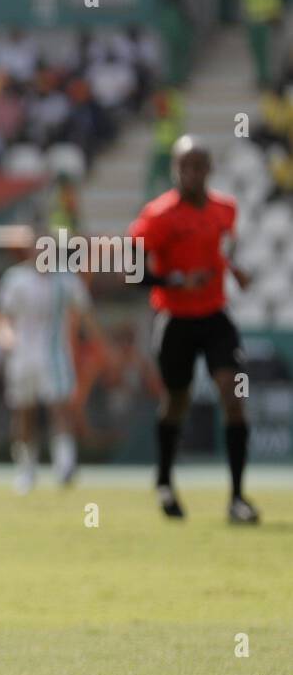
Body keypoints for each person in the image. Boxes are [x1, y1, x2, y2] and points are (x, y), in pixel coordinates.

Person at [128, 136, 259, 523]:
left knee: (233, 395)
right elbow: (133, 271)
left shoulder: (225, 209)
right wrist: (175, 280)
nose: (192, 173)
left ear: (209, 169)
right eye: (185, 166)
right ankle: (165, 480)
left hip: (215, 316)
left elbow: (224, 248)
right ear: (175, 169)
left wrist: (236, 271)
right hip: (175, 319)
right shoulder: (158, 215)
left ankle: (237, 497)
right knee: (176, 402)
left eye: (199, 166)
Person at [0, 232, 105, 494]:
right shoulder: (15, 279)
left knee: (59, 408)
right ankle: (26, 470)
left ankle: (65, 465)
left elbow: (86, 315)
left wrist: (103, 347)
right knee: (24, 412)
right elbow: (1, 316)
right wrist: (5, 336)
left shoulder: (66, 280)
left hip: (55, 356)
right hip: (22, 357)